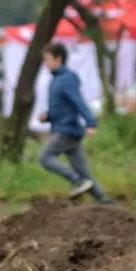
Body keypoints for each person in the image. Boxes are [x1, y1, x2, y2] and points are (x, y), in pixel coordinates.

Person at [37, 42, 112, 204]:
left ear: (59, 59)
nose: (46, 64)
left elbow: (79, 102)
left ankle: (75, 180)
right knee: (86, 175)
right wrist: (48, 116)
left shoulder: (67, 79)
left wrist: (91, 123)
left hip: (67, 130)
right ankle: (106, 202)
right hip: (65, 127)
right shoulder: (56, 80)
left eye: (48, 59)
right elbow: (61, 107)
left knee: (45, 157)